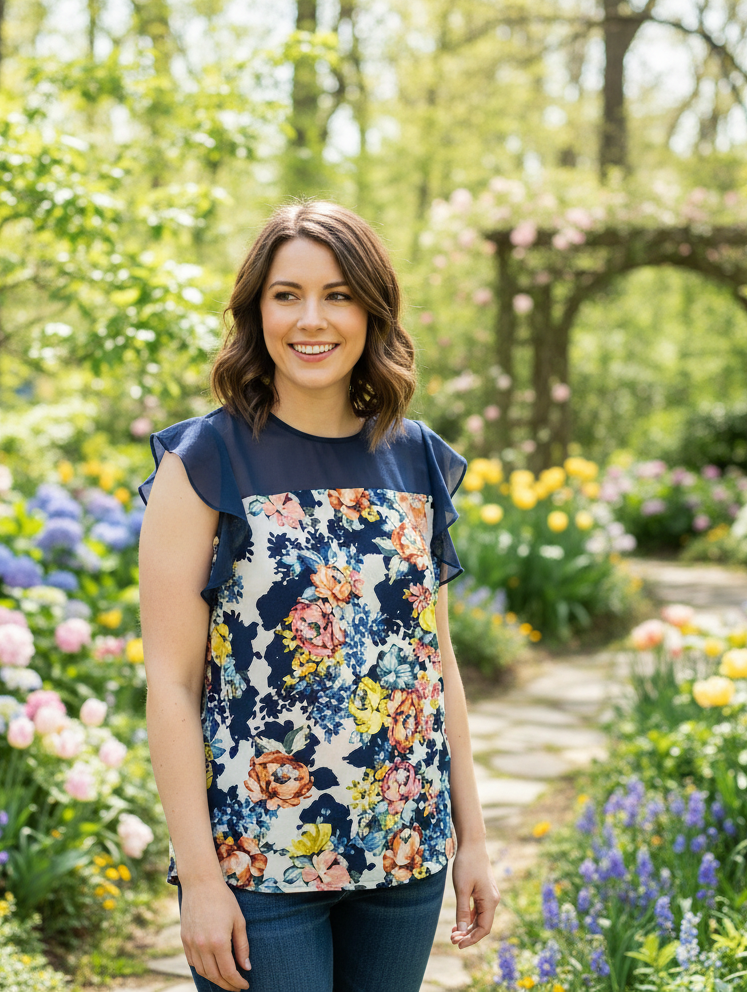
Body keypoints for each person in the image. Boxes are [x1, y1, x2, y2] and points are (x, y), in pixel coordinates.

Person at [137, 201, 499, 992]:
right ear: (255, 310)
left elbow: (435, 663)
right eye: (286, 294)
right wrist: (199, 877)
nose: (312, 319)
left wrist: (473, 836)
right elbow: (169, 682)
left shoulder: (416, 459)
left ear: (372, 310)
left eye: (337, 295)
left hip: (405, 850)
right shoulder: (203, 462)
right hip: (258, 861)